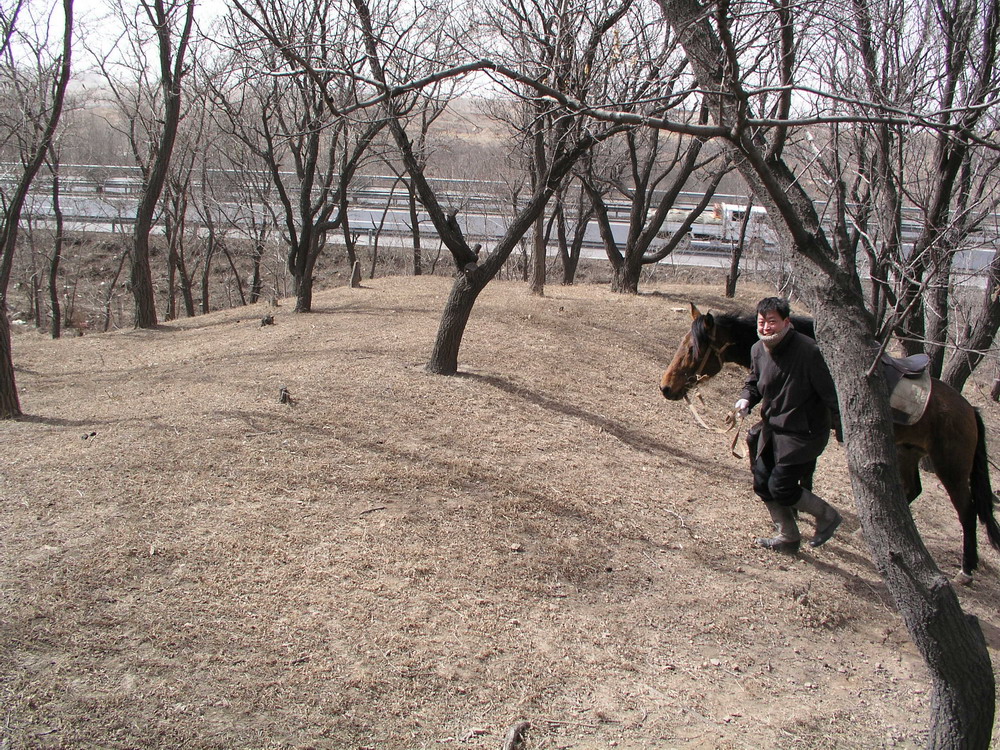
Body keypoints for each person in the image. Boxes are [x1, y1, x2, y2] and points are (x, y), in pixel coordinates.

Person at [734, 297, 843, 552]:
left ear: (786, 322)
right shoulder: (758, 350)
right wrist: (745, 398)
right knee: (762, 483)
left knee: (781, 487)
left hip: (804, 433)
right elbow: (754, 381)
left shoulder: (810, 351)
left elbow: (831, 395)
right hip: (773, 429)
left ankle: (827, 515)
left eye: (772, 322)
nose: (766, 327)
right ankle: (788, 537)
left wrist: (842, 430)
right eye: (762, 322)